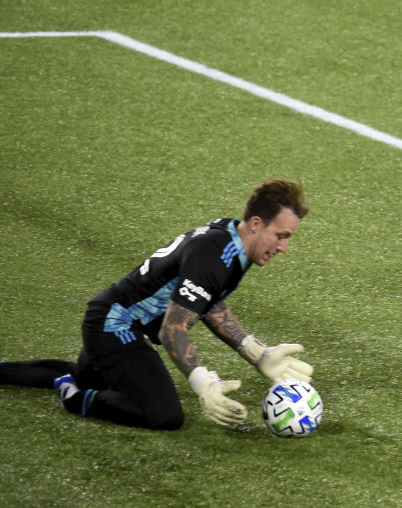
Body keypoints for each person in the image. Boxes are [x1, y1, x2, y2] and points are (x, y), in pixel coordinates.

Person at [0, 178, 314, 429]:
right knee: (163, 415)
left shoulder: (231, 239)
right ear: (257, 223)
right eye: (281, 235)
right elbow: (172, 329)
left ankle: (53, 378)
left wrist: (254, 352)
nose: (284, 247)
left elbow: (208, 301)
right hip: (115, 327)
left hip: (111, 320)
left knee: (85, 375)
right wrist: (202, 382)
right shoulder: (215, 255)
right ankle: (73, 398)